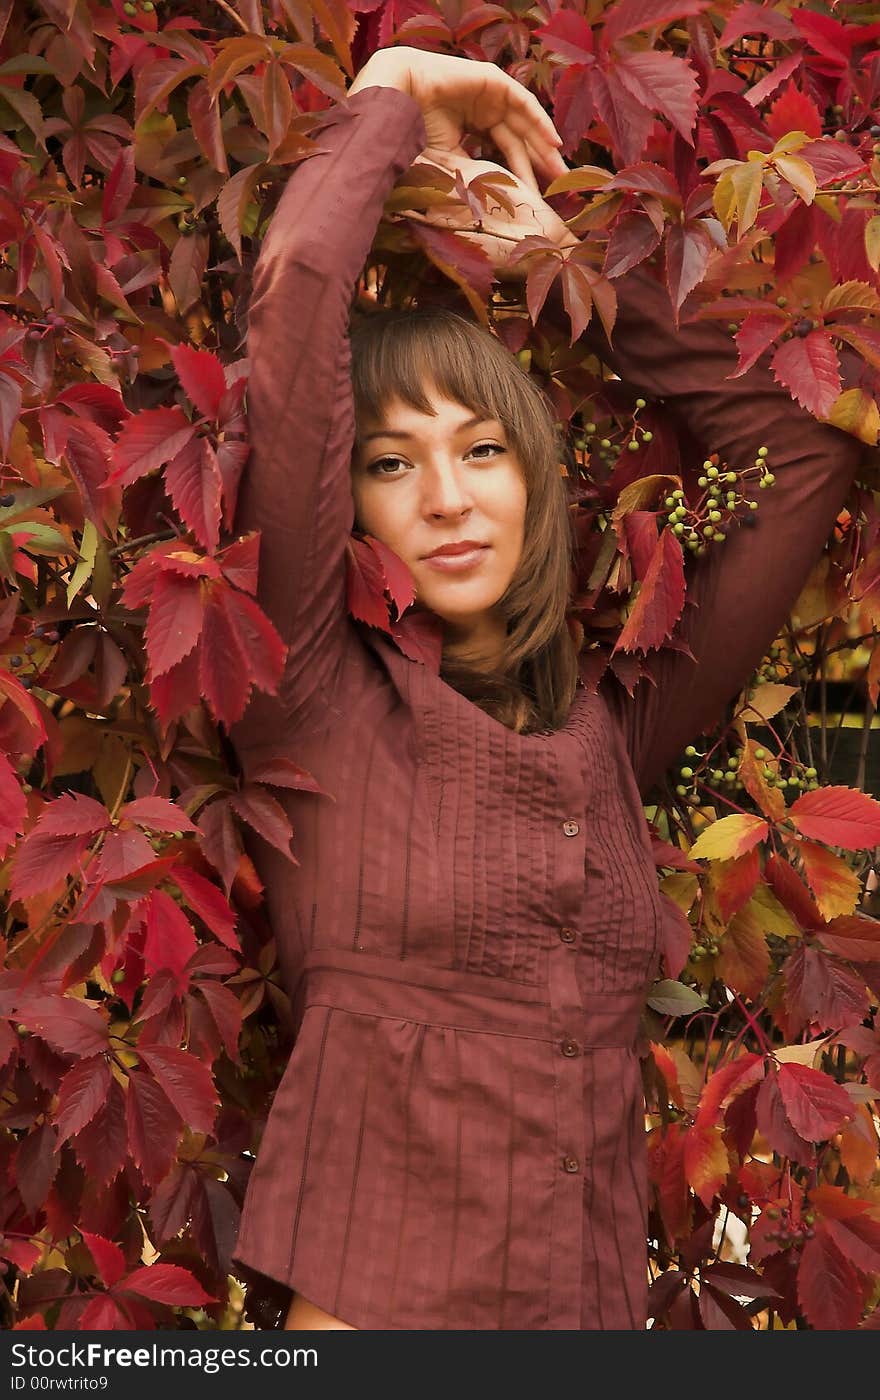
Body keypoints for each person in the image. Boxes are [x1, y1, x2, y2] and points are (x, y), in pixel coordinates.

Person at [226, 47, 865, 1331]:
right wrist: (394, 95)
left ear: (535, 477)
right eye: (395, 464)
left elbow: (799, 448)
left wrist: (556, 266)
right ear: (348, 507)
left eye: (480, 450)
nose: (450, 497)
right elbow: (298, 304)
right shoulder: (309, 695)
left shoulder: (610, 725)